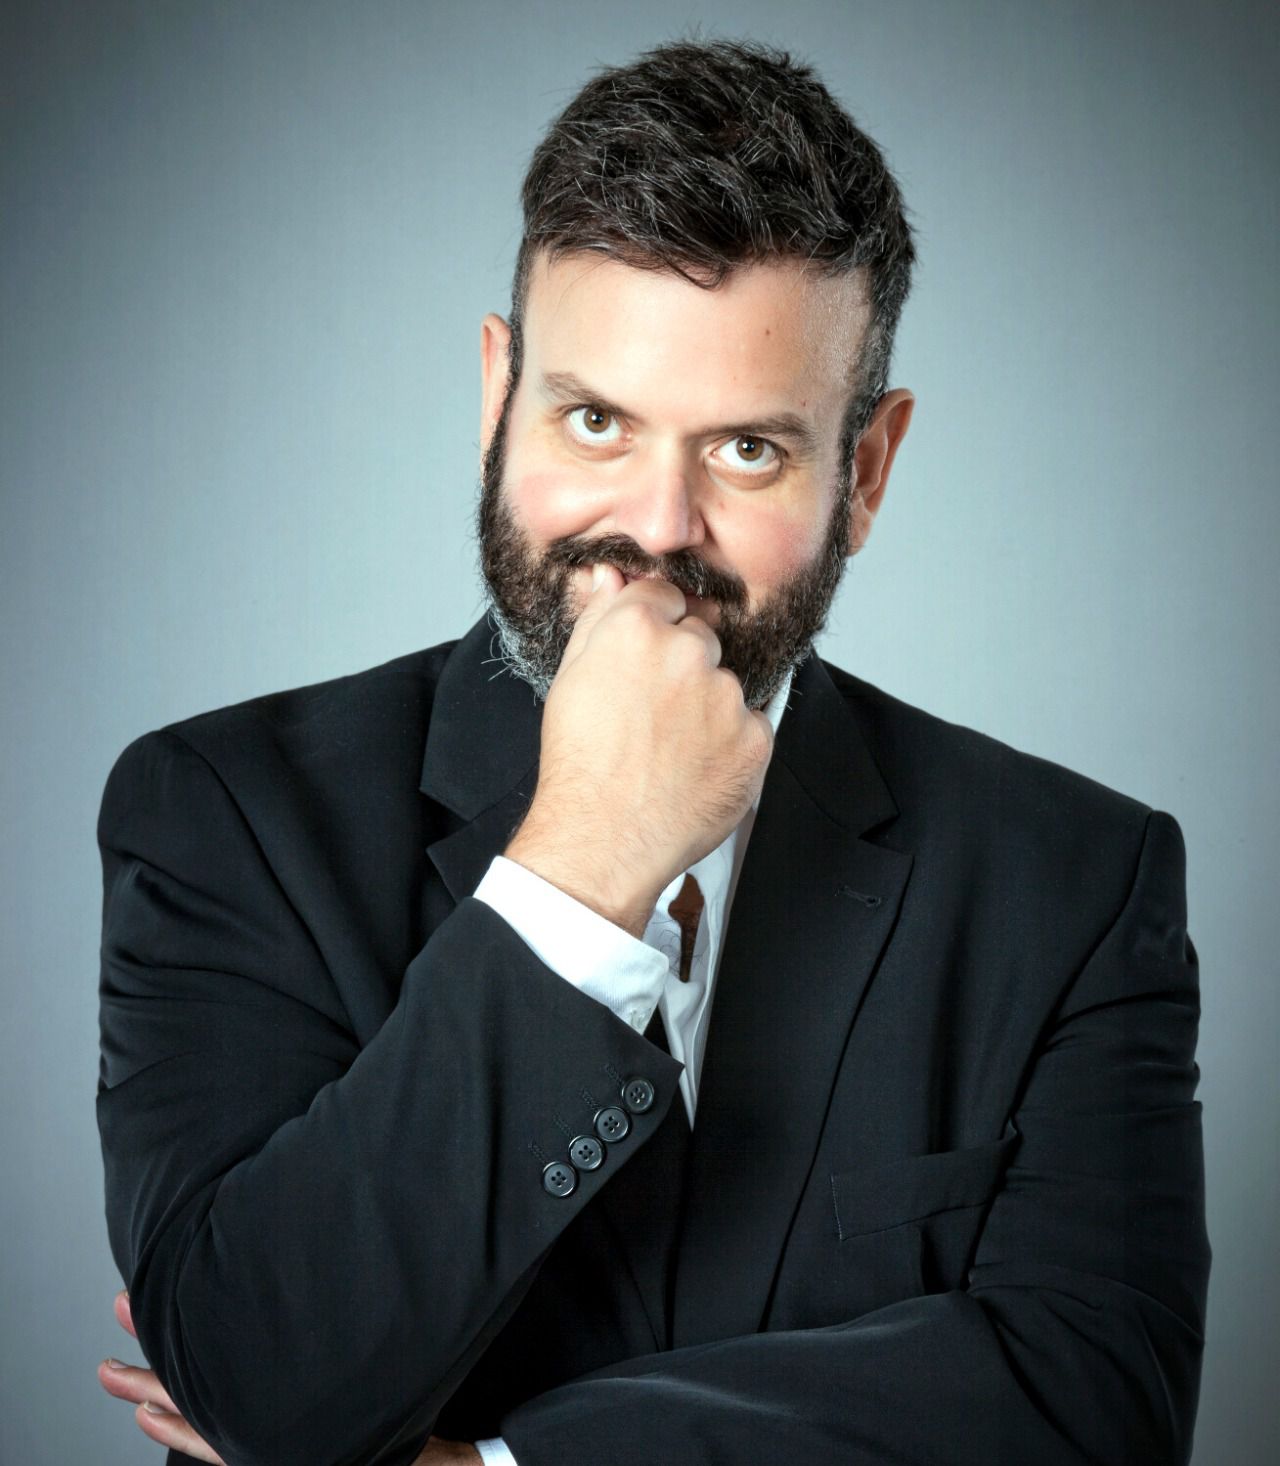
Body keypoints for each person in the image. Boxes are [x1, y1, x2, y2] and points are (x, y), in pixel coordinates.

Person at [94, 37, 1210, 1466]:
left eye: (748, 450)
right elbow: (260, 1376)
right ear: (498, 397)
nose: (658, 529)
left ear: (865, 472)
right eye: (596, 420)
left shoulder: (1079, 883)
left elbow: (1096, 1404)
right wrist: (583, 866)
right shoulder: (226, 816)